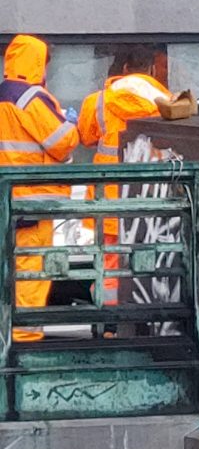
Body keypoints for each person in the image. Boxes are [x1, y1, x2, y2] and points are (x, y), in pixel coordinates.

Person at [0, 35, 80, 341]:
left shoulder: (3, 94)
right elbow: (61, 143)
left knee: (9, 274)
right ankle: (23, 348)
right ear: (37, 63)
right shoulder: (30, 97)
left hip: (8, 201)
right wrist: (68, 123)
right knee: (31, 277)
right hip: (31, 202)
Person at [78, 45, 171, 306]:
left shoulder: (97, 100)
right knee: (144, 258)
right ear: (151, 69)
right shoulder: (165, 101)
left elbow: (85, 137)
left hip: (105, 196)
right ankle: (139, 313)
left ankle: (108, 322)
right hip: (147, 197)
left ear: (124, 69)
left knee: (107, 261)